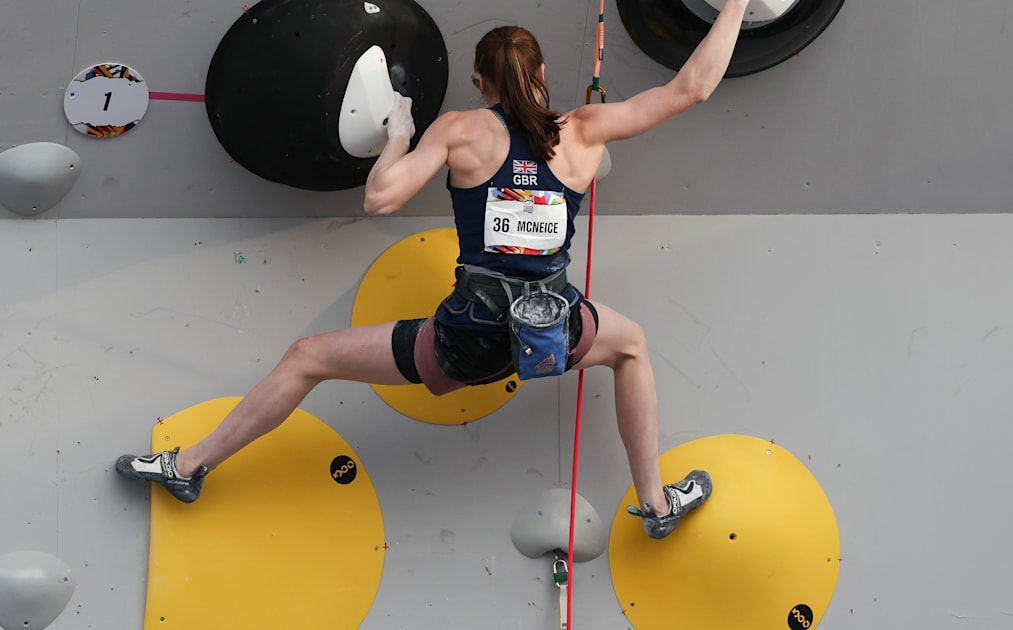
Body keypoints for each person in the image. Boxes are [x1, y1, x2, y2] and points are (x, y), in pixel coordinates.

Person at [117, 0, 750, 540]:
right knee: (631, 346)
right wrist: (737, 4)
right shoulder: (583, 130)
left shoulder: (461, 130)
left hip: (465, 343)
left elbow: (380, 198)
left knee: (307, 356)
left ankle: (190, 466)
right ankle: (658, 505)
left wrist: (398, 133)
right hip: (551, 332)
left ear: (481, 81)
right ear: (541, 74)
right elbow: (691, 87)